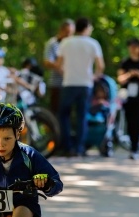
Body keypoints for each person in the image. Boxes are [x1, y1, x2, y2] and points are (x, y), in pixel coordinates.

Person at [56, 17, 105, 156]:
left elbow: (58, 65)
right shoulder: (93, 43)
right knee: (82, 116)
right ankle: (79, 147)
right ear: (87, 27)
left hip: (69, 83)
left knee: (64, 115)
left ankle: (67, 147)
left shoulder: (66, 42)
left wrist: (65, 73)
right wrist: (94, 76)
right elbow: (100, 66)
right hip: (85, 84)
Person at [117, 38, 139, 160]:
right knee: (129, 121)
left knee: (138, 121)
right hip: (128, 95)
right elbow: (120, 79)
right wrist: (130, 75)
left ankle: (136, 146)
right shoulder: (125, 63)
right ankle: (133, 144)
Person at [43, 19, 75, 114]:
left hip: (71, 83)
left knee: (67, 112)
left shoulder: (72, 44)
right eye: (67, 32)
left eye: (71, 33)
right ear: (61, 30)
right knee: (55, 110)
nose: (69, 35)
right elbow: (47, 61)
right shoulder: (52, 43)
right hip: (57, 83)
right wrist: (59, 67)